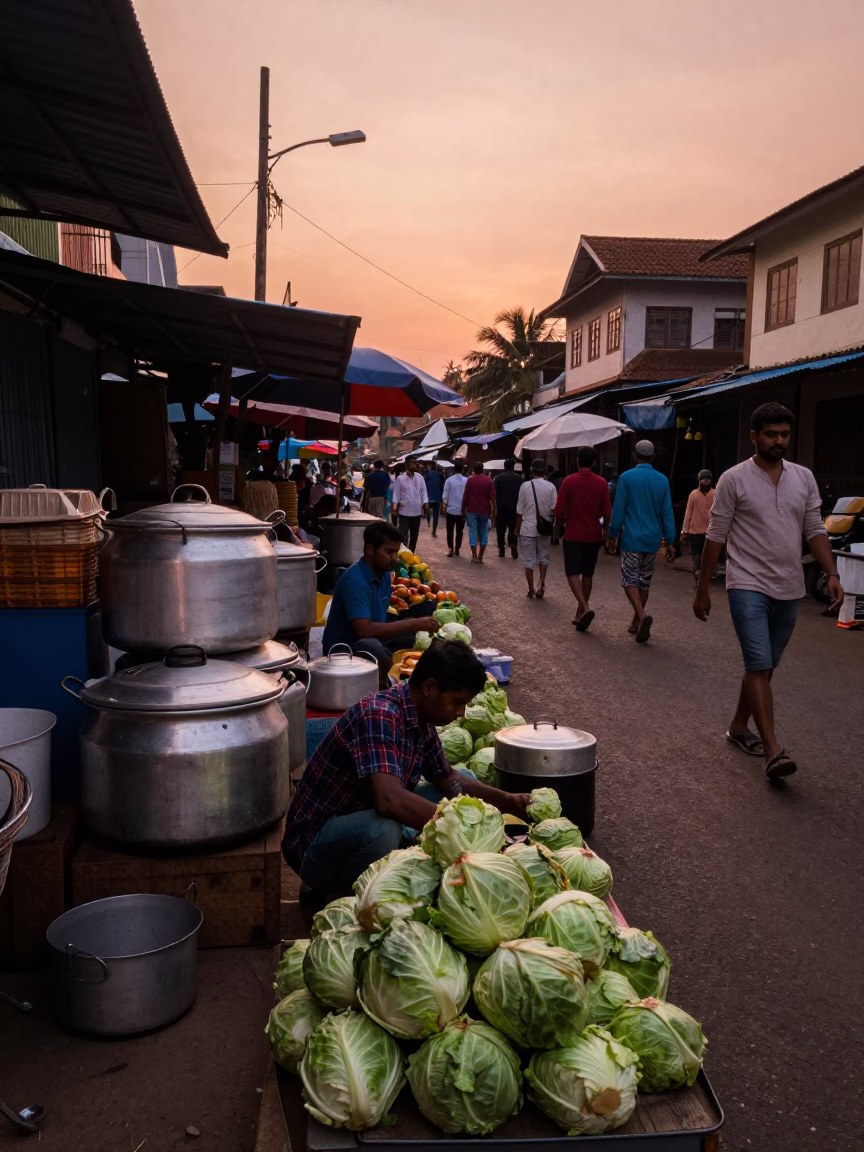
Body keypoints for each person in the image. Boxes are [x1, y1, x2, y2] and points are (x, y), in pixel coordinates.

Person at [282, 640, 531, 907]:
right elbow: (389, 801)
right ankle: (337, 897)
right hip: (313, 845)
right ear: (429, 688)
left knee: (451, 794)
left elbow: (449, 780)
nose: (460, 713)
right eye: (457, 702)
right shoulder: (380, 715)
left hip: (355, 819)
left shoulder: (421, 719)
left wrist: (508, 801)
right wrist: (463, 835)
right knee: (382, 830)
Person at [693, 402, 843, 781]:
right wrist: (703, 589)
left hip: (789, 586)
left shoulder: (804, 478)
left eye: (785, 435)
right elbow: (716, 534)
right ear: (754, 437)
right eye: (772, 435)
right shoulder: (733, 479)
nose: (779, 441)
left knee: (766, 665)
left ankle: (739, 727)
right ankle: (773, 751)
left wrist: (832, 573)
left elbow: (814, 528)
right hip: (746, 584)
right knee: (759, 663)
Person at [322, 520, 440, 685]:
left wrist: (415, 625)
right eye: (389, 552)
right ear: (370, 550)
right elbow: (365, 630)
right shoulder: (355, 581)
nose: (394, 559)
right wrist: (413, 623)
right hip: (344, 653)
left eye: (396, 553)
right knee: (374, 647)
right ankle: (383, 682)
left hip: (373, 639)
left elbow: (381, 623)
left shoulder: (384, 574)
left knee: (417, 636)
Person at [608, 439, 675, 644]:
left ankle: (642, 615)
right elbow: (667, 513)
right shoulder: (662, 480)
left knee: (629, 580)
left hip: (632, 539)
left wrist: (612, 535)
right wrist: (670, 540)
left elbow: (618, 510)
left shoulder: (626, 478)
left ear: (634, 456)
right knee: (644, 582)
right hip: (652, 540)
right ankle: (636, 622)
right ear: (653, 458)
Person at [555, 446, 612, 630]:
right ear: (595, 462)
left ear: (577, 460)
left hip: (573, 533)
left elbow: (559, 509)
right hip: (593, 534)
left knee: (572, 572)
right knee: (588, 573)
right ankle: (580, 611)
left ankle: (585, 607)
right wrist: (606, 531)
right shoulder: (602, 482)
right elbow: (607, 511)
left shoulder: (569, 481)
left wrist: (558, 527)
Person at [515, 458, 557, 598]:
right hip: (544, 528)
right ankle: (542, 583)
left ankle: (531, 589)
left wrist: (517, 527)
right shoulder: (551, 487)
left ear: (532, 471)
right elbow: (554, 509)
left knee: (528, 560)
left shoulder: (525, 486)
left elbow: (519, 511)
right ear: (544, 471)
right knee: (543, 557)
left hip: (527, 528)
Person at [680, 469, 716, 583]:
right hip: (695, 531)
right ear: (699, 481)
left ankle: (704, 574)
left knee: (706, 554)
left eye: (707, 480)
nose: (705, 482)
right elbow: (688, 513)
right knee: (697, 554)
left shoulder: (715, 494)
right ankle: (697, 573)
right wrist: (685, 531)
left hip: (710, 531)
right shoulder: (694, 494)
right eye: (704, 480)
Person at [461, 462, 496, 563]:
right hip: (485, 511)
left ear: (473, 470)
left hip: (472, 510)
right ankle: (481, 556)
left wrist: (462, 510)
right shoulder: (489, 481)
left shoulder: (470, 480)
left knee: (473, 532)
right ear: (483, 469)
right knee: (483, 533)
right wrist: (494, 511)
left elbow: (465, 496)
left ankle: (474, 556)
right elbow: (493, 498)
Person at [392, 456, 428, 552]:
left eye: (415, 462)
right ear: (407, 464)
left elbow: (424, 493)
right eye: (412, 462)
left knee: (414, 534)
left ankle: (411, 553)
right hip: (404, 512)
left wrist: (425, 504)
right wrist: (394, 509)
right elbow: (395, 496)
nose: (415, 464)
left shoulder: (420, 478)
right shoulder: (400, 479)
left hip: (417, 512)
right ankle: (403, 553)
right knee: (403, 533)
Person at [493, 458, 523, 559]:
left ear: (504, 466)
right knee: (513, 527)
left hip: (501, 507)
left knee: (500, 530)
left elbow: (494, 494)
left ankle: (501, 550)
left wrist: (494, 508)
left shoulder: (498, 478)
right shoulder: (519, 478)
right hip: (514, 507)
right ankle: (513, 543)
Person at [442, 461, 468, 556]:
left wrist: (444, 505)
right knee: (460, 531)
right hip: (462, 510)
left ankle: (450, 548)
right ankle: (457, 547)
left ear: (454, 469)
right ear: (463, 469)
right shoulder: (466, 480)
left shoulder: (449, 480)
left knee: (449, 529)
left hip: (451, 509)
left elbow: (445, 495)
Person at [424, 463, 445, 537]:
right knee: (436, 515)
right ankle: (434, 531)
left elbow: (424, 484)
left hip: (429, 496)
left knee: (429, 509)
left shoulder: (427, 474)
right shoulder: (440, 475)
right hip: (437, 497)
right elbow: (442, 486)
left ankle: (428, 519)